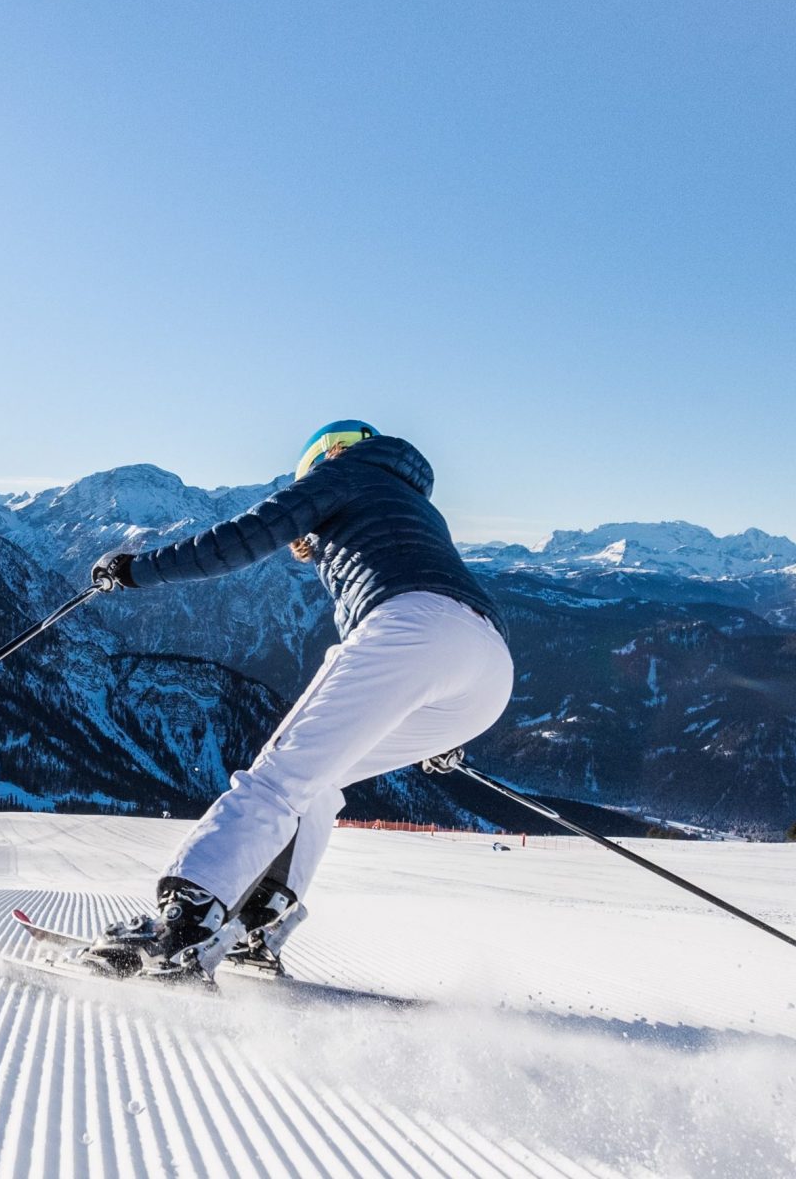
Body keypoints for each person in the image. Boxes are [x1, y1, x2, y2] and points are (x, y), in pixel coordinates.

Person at [80, 419, 513, 981]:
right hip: (488, 668)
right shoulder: (415, 504)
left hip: (412, 629)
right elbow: (454, 620)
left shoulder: (347, 472)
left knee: (278, 780)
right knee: (317, 779)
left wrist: (137, 571)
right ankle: (254, 928)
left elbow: (238, 541)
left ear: (325, 458)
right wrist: (439, 722)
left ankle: (182, 928)